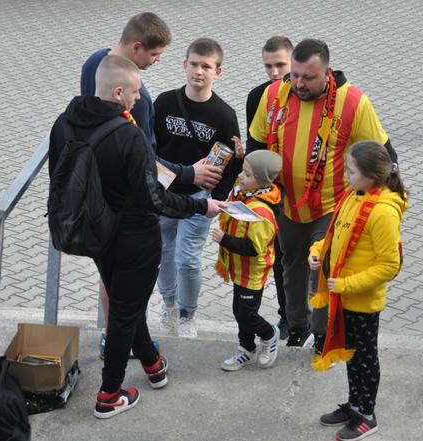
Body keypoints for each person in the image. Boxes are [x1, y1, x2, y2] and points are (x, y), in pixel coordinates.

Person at [48, 54, 225, 418]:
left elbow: (58, 175)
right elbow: (155, 199)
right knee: (124, 316)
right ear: (117, 92)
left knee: (125, 302)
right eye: (134, 94)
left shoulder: (64, 123)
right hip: (136, 240)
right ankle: (109, 395)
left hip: (98, 235)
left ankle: (152, 364)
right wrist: (200, 207)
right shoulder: (128, 136)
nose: (137, 100)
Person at [80, 12, 223, 357]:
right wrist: (188, 175)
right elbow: (146, 163)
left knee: (110, 276)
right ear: (137, 46)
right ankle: (125, 343)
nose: (157, 62)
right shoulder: (138, 98)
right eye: (155, 55)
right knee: (132, 278)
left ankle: (115, 338)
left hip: (102, 191)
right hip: (130, 200)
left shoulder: (95, 65)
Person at [247, 39, 398, 349]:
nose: (299, 84)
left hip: (332, 206)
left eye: (308, 77)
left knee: (322, 269)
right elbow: (256, 142)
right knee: (291, 271)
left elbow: (385, 155)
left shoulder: (354, 103)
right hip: (286, 205)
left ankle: (322, 334)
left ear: (327, 72)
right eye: (296, 75)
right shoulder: (274, 94)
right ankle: (296, 325)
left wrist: (391, 202)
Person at [308, 141, 406, 440]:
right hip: (343, 298)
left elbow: (390, 265)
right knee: (351, 354)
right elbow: (336, 235)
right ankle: (354, 404)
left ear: (371, 176)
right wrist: (317, 252)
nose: (346, 176)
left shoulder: (383, 213)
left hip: (362, 302)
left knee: (364, 358)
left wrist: (348, 284)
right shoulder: (353, 196)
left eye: (351, 171)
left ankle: (367, 413)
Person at [154, 37, 243, 338]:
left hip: (199, 200)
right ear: (184, 65)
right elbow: (149, 150)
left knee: (188, 259)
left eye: (206, 66)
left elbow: (231, 163)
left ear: (218, 72)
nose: (199, 71)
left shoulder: (224, 115)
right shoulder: (164, 102)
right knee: (164, 252)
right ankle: (168, 305)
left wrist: (216, 200)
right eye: (194, 64)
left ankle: (187, 315)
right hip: (165, 195)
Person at [210, 150, 283, 371]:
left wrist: (225, 239)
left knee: (247, 313)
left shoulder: (261, 211)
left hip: (252, 272)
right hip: (238, 269)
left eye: (247, 174)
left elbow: (254, 248)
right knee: (239, 311)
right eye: (242, 171)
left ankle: (270, 335)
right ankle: (247, 349)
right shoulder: (245, 194)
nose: (241, 176)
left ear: (261, 181)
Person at [245, 36, 294, 340]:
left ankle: (302, 318)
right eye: (268, 66)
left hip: (306, 191)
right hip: (271, 193)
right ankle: (284, 319)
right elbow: (255, 141)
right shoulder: (258, 96)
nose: (274, 72)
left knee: (299, 260)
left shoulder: (304, 94)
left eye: (281, 65)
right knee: (274, 257)